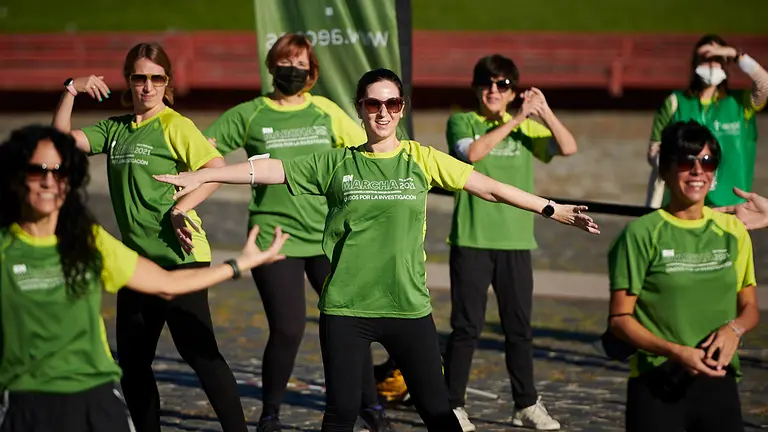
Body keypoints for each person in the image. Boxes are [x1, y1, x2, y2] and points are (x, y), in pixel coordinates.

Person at [155, 68, 599, 432]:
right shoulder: (336, 161)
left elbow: (490, 187)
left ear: (401, 108)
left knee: (439, 413)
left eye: (391, 103)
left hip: (409, 308)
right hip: (347, 308)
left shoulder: (420, 158)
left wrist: (550, 207)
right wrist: (204, 177)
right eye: (373, 103)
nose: (382, 112)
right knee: (341, 414)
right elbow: (268, 169)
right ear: (360, 109)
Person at [0, 125, 288, 432]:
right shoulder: (5, 249)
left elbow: (167, 285)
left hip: (94, 397)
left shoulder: (87, 241)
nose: (48, 181)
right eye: (36, 171)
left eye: (59, 172)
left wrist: (236, 265)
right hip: (25, 401)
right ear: (17, 178)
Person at [51, 42, 249, 432]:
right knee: (134, 363)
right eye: (140, 77)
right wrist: (71, 89)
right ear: (128, 80)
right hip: (135, 262)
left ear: (166, 83)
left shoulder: (175, 125)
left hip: (182, 256)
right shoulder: (116, 129)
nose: (147, 86)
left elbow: (216, 167)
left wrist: (180, 208)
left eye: (156, 78)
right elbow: (57, 146)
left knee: (199, 353)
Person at [202, 33, 391, 432]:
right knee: (288, 328)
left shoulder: (324, 111)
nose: (294, 71)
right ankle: (270, 415)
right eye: (287, 63)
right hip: (276, 238)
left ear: (312, 72)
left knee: (349, 322)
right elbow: (204, 151)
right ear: (272, 66)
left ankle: (371, 409)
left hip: (329, 237)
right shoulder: (251, 113)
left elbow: (373, 149)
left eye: (302, 65)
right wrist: (185, 193)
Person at [441, 54, 577, 431]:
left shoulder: (527, 128)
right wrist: (517, 118)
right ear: (476, 88)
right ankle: (453, 405)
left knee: (519, 328)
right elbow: (471, 154)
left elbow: (567, 148)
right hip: (472, 239)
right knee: (466, 327)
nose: (493, 91)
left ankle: (526, 404)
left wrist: (544, 112)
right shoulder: (462, 122)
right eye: (487, 84)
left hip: (517, 241)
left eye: (502, 85)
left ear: (512, 90)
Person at [609, 120, 760, 432]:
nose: (697, 171)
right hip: (658, 382)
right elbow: (620, 320)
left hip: (719, 382)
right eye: (685, 161)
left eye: (707, 161)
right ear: (664, 170)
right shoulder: (640, 234)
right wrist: (676, 352)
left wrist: (734, 330)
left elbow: (750, 308)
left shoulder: (733, 232)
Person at [645, 34, 768, 208]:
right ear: (695, 63)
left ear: (726, 65)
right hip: (683, 206)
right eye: (705, 58)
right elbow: (654, 150)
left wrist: (736, 55)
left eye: (717, 58)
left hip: (730, 207)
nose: (711, 64)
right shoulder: (675, 102)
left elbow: (765, 85)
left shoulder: (740, 103)